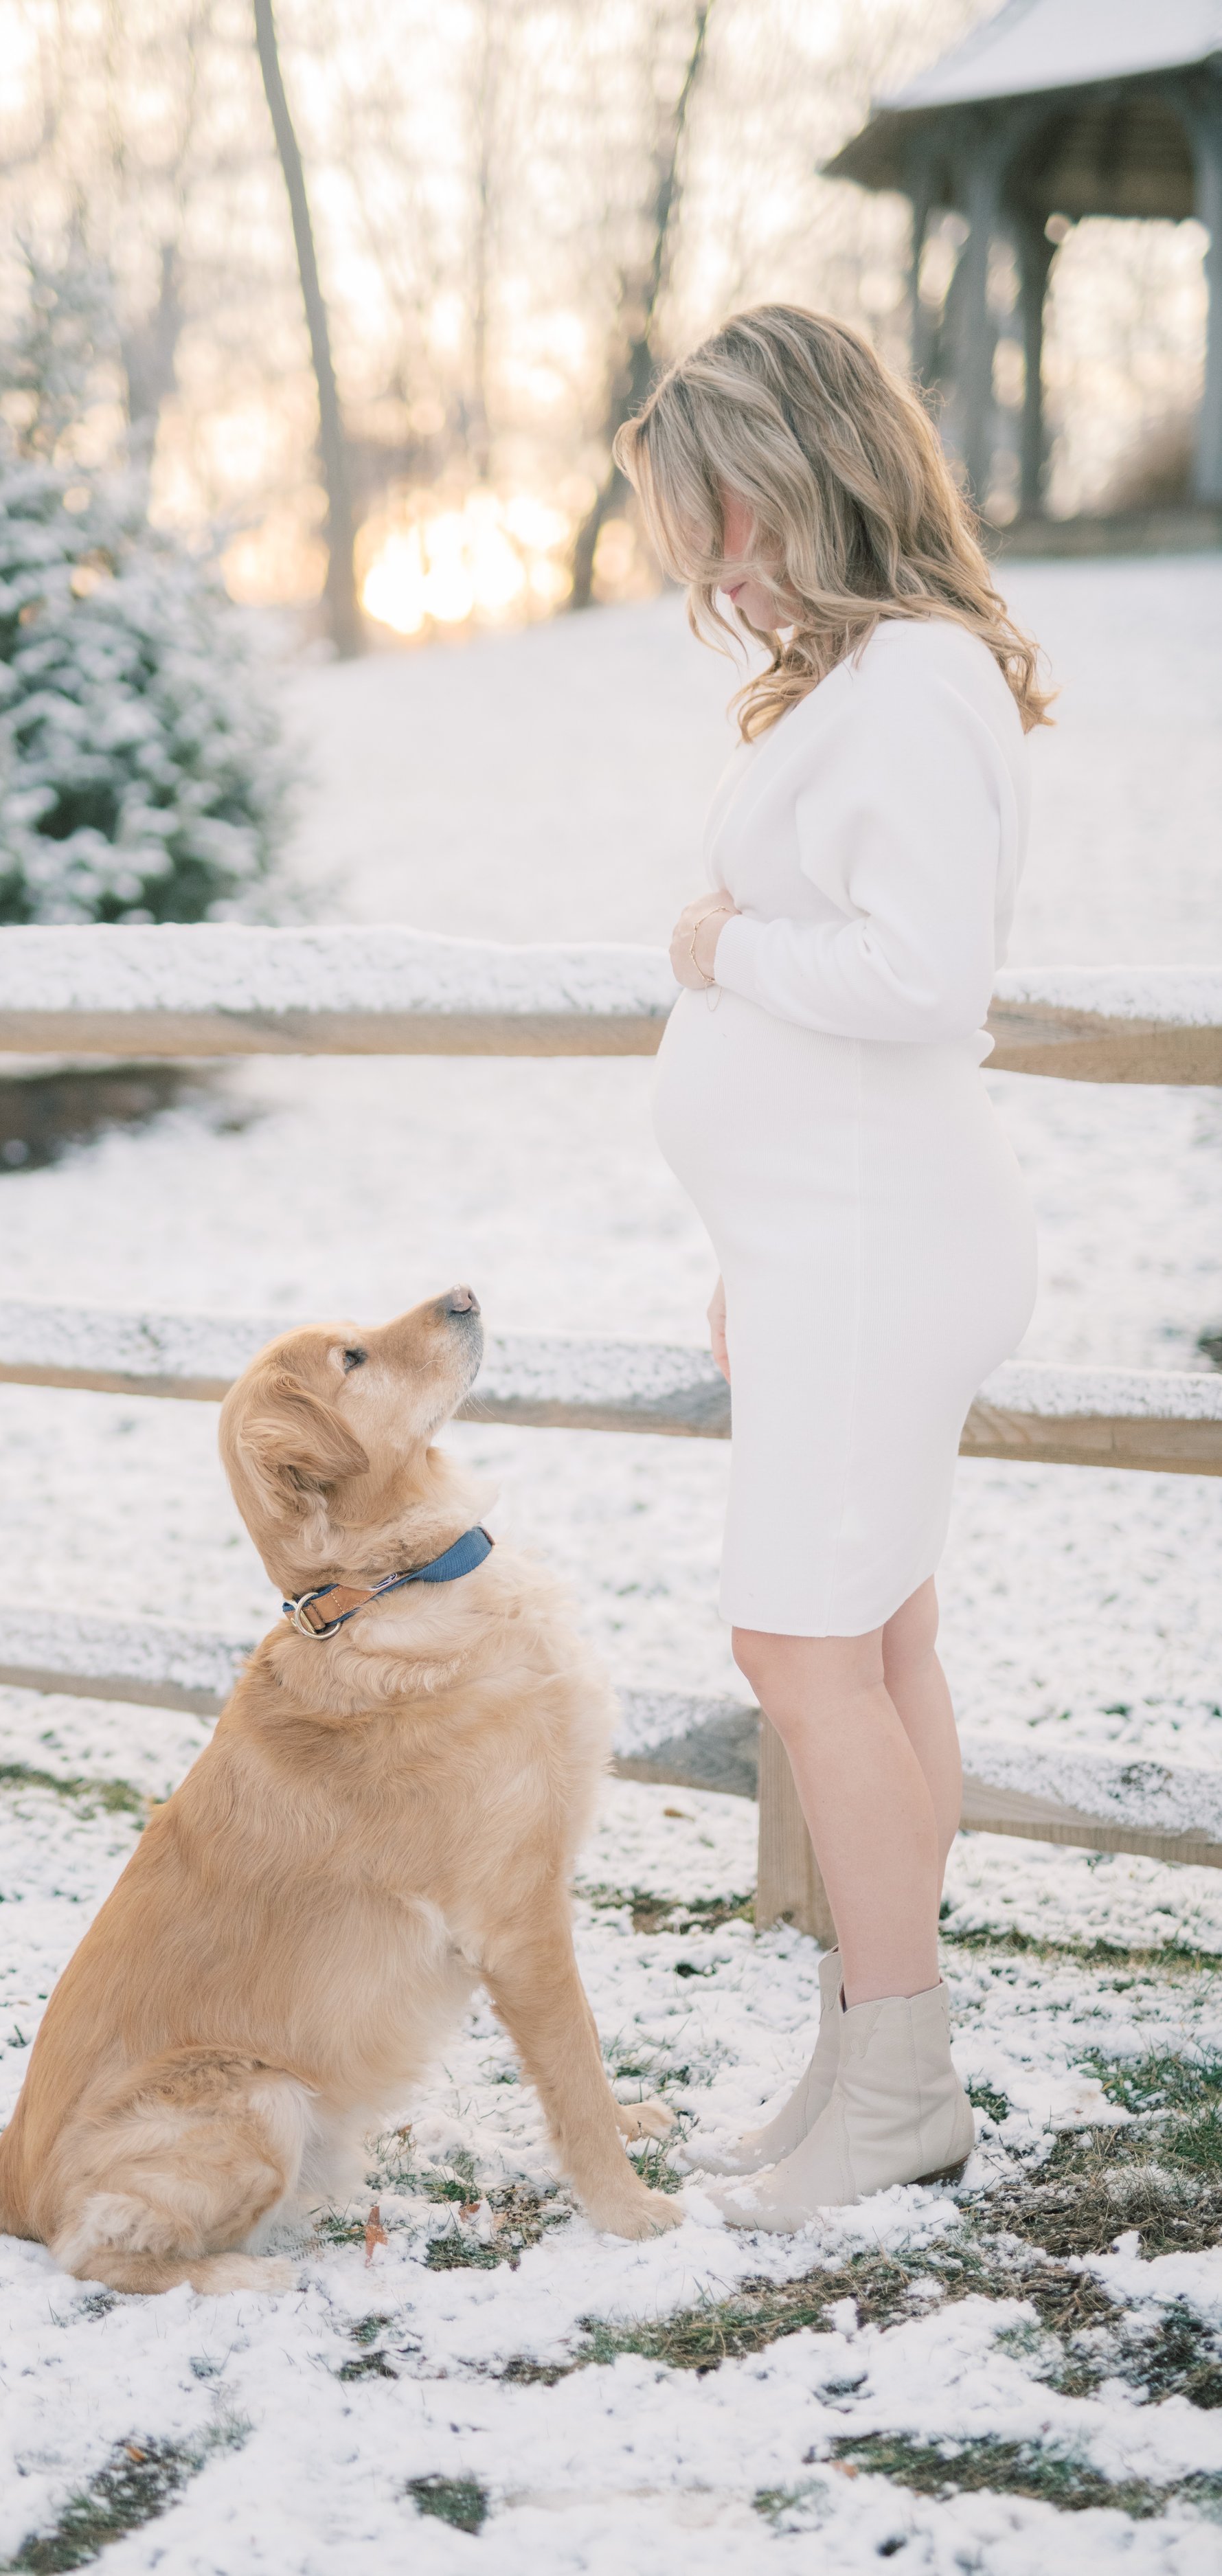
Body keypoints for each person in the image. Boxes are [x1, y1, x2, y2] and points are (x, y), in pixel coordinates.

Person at [616, 304, 1052, 2229]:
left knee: (799, 1652)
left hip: (876, 1245)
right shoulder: (873, 677)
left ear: (800, 472)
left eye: (717, 510)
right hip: (833, 1249)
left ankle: (900, 2079)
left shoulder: (915, 683)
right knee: (868, 1646)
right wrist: (755, 1245)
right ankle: (864, 2056)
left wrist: (719, 948)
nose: (713, 560)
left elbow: (914, 981)